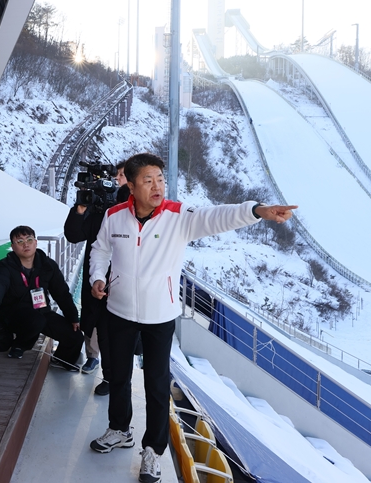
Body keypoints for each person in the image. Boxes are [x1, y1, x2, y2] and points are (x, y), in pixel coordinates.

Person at [87, 152, 296, 483]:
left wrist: (257, 211)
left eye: (160, 179)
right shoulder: (114, 216)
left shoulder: (178, 216)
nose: (157, 186)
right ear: (130, 183)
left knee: (156, 383)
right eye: (148, 180)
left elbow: (217, 217)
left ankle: (153, 451)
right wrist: (98, 277)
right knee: (118, 376)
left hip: (159, 316)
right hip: (119, 312)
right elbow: (100, 250)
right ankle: (118, 429)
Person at [63, 159, 127, 395]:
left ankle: (113, 377)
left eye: (123, 176)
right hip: (96, 277)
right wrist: (80, 207)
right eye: (118, 176)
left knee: (115, 331)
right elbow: (73, 235)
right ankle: (98, 364)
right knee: (94, 320)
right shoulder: (97, 208)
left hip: (123, 277)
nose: (119, 180)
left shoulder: (132, 207)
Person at [0, 226, 83, 369]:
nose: (25, 244)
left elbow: (62, 294)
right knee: (35, 321)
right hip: (13, 313)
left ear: (35, 242)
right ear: (13, 246)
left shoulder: (48, 266)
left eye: (29, 240)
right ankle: (20, 345)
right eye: (20, 241)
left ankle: (60, 360)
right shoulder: (5, 265)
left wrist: (73, 317)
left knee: (76, 336)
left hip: (40, 310)